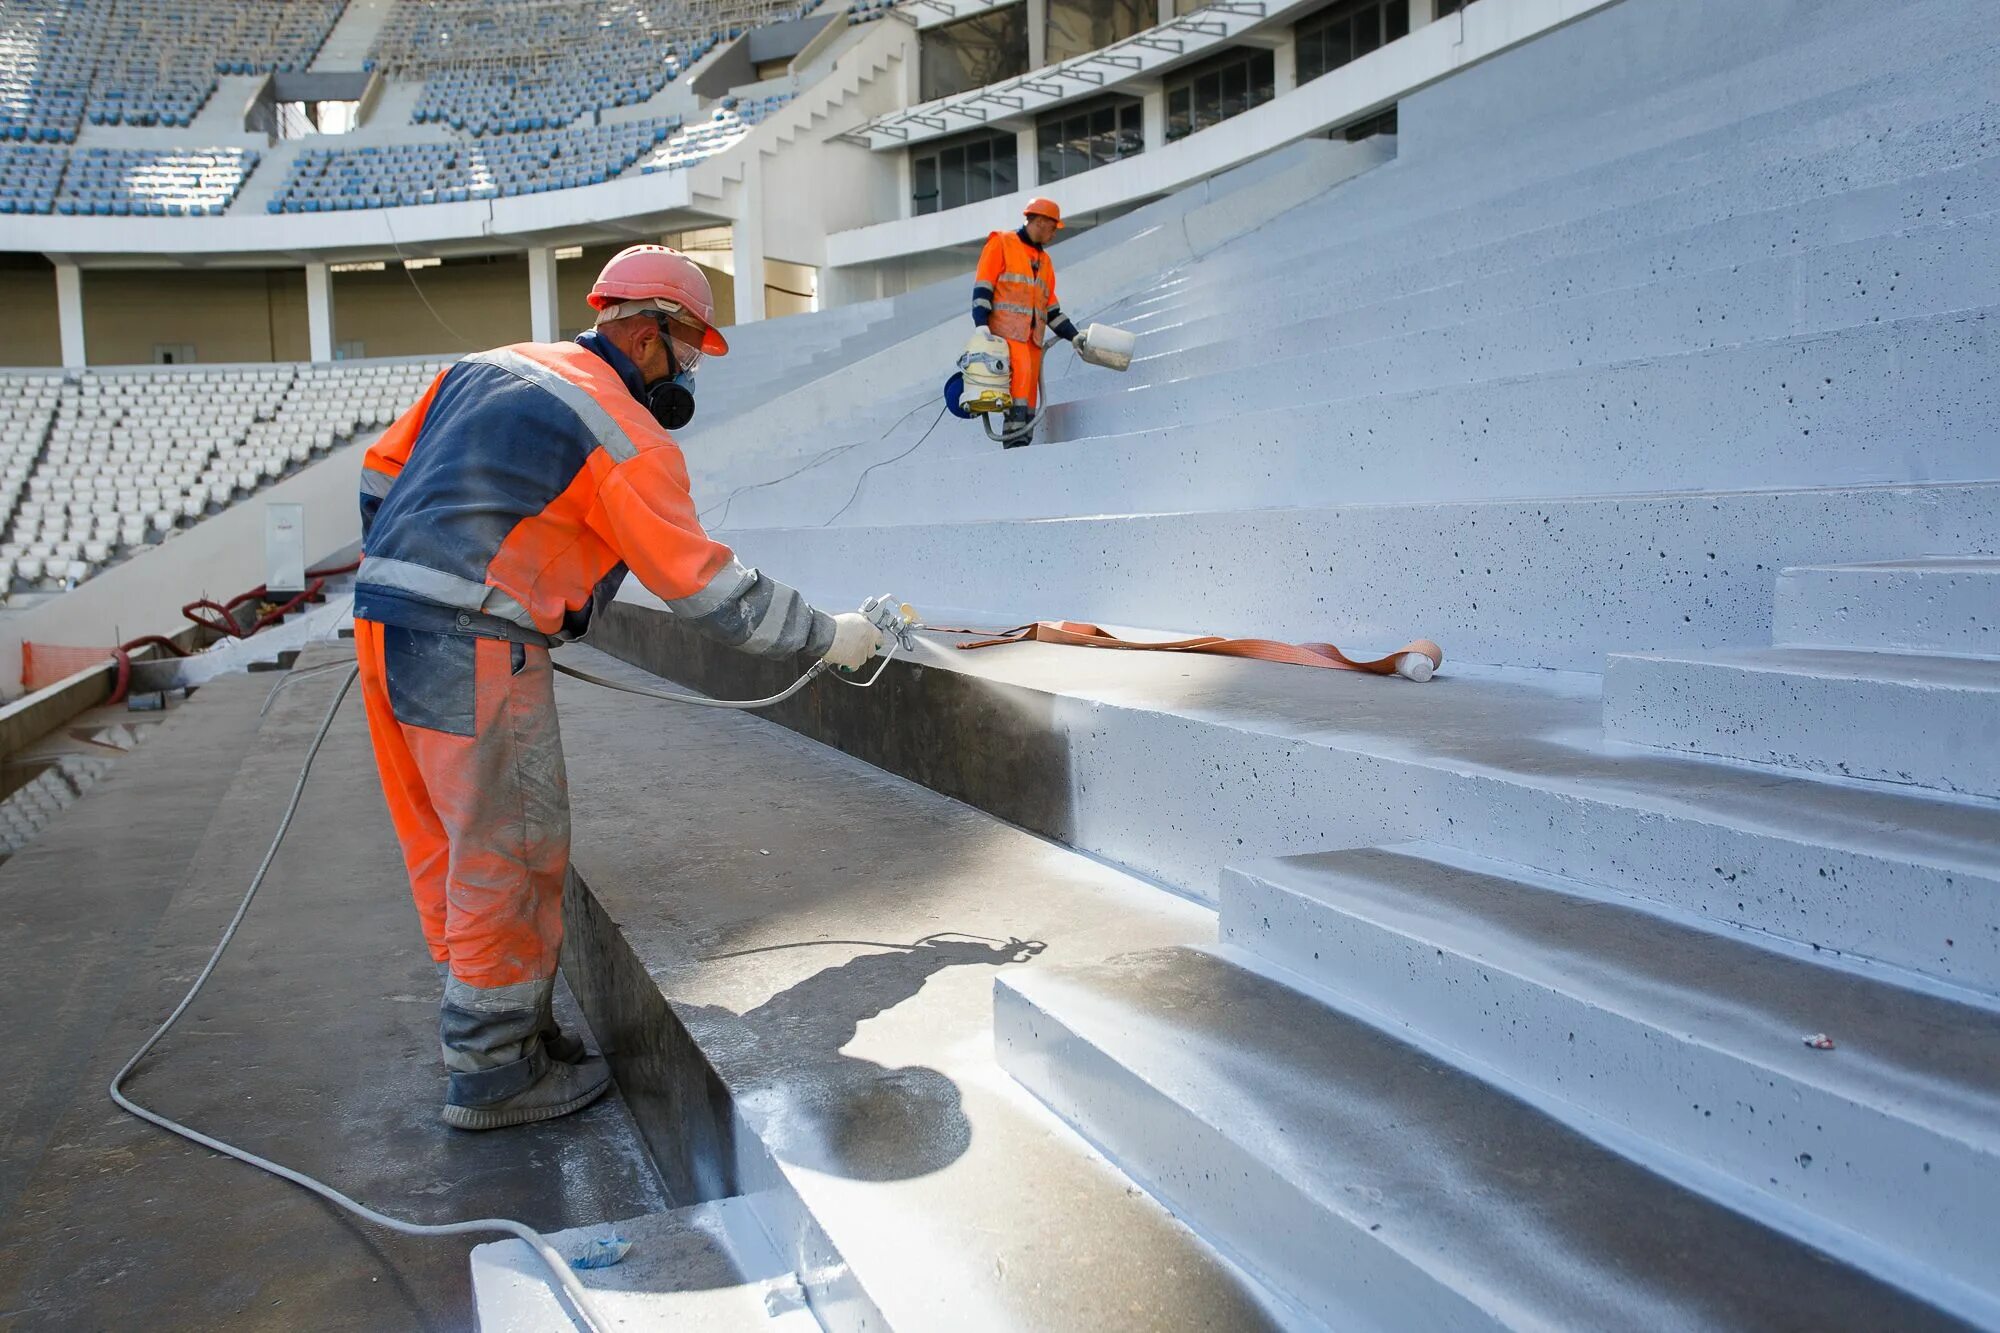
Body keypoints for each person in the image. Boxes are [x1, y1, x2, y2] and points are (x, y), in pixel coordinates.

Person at [351, 245, 884, 1131]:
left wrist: (419, 574)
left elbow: (378, 473)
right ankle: (491, 1074)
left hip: (385, 622)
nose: (687, 375)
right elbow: (709, 592)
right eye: (685, 353)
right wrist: (829, 636)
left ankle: (512, 1033)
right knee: (510, 852)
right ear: (645, 335)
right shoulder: (622, 430)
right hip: (475, 643)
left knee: (445, 843)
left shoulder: (488, 367)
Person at [972, 197, 1087, 446]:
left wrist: (1074, 335)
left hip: (1032, 342)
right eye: (1053, 227)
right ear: (1040, 221)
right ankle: (1013, 448)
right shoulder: (1001, 243)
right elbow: (983, 287)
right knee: (1017, 398)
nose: (1054, 233)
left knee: (1029, 402)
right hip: (1005, 337)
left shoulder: (1045, 263)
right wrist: (981, 325)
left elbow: (1052, 310)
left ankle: (1022, 447)